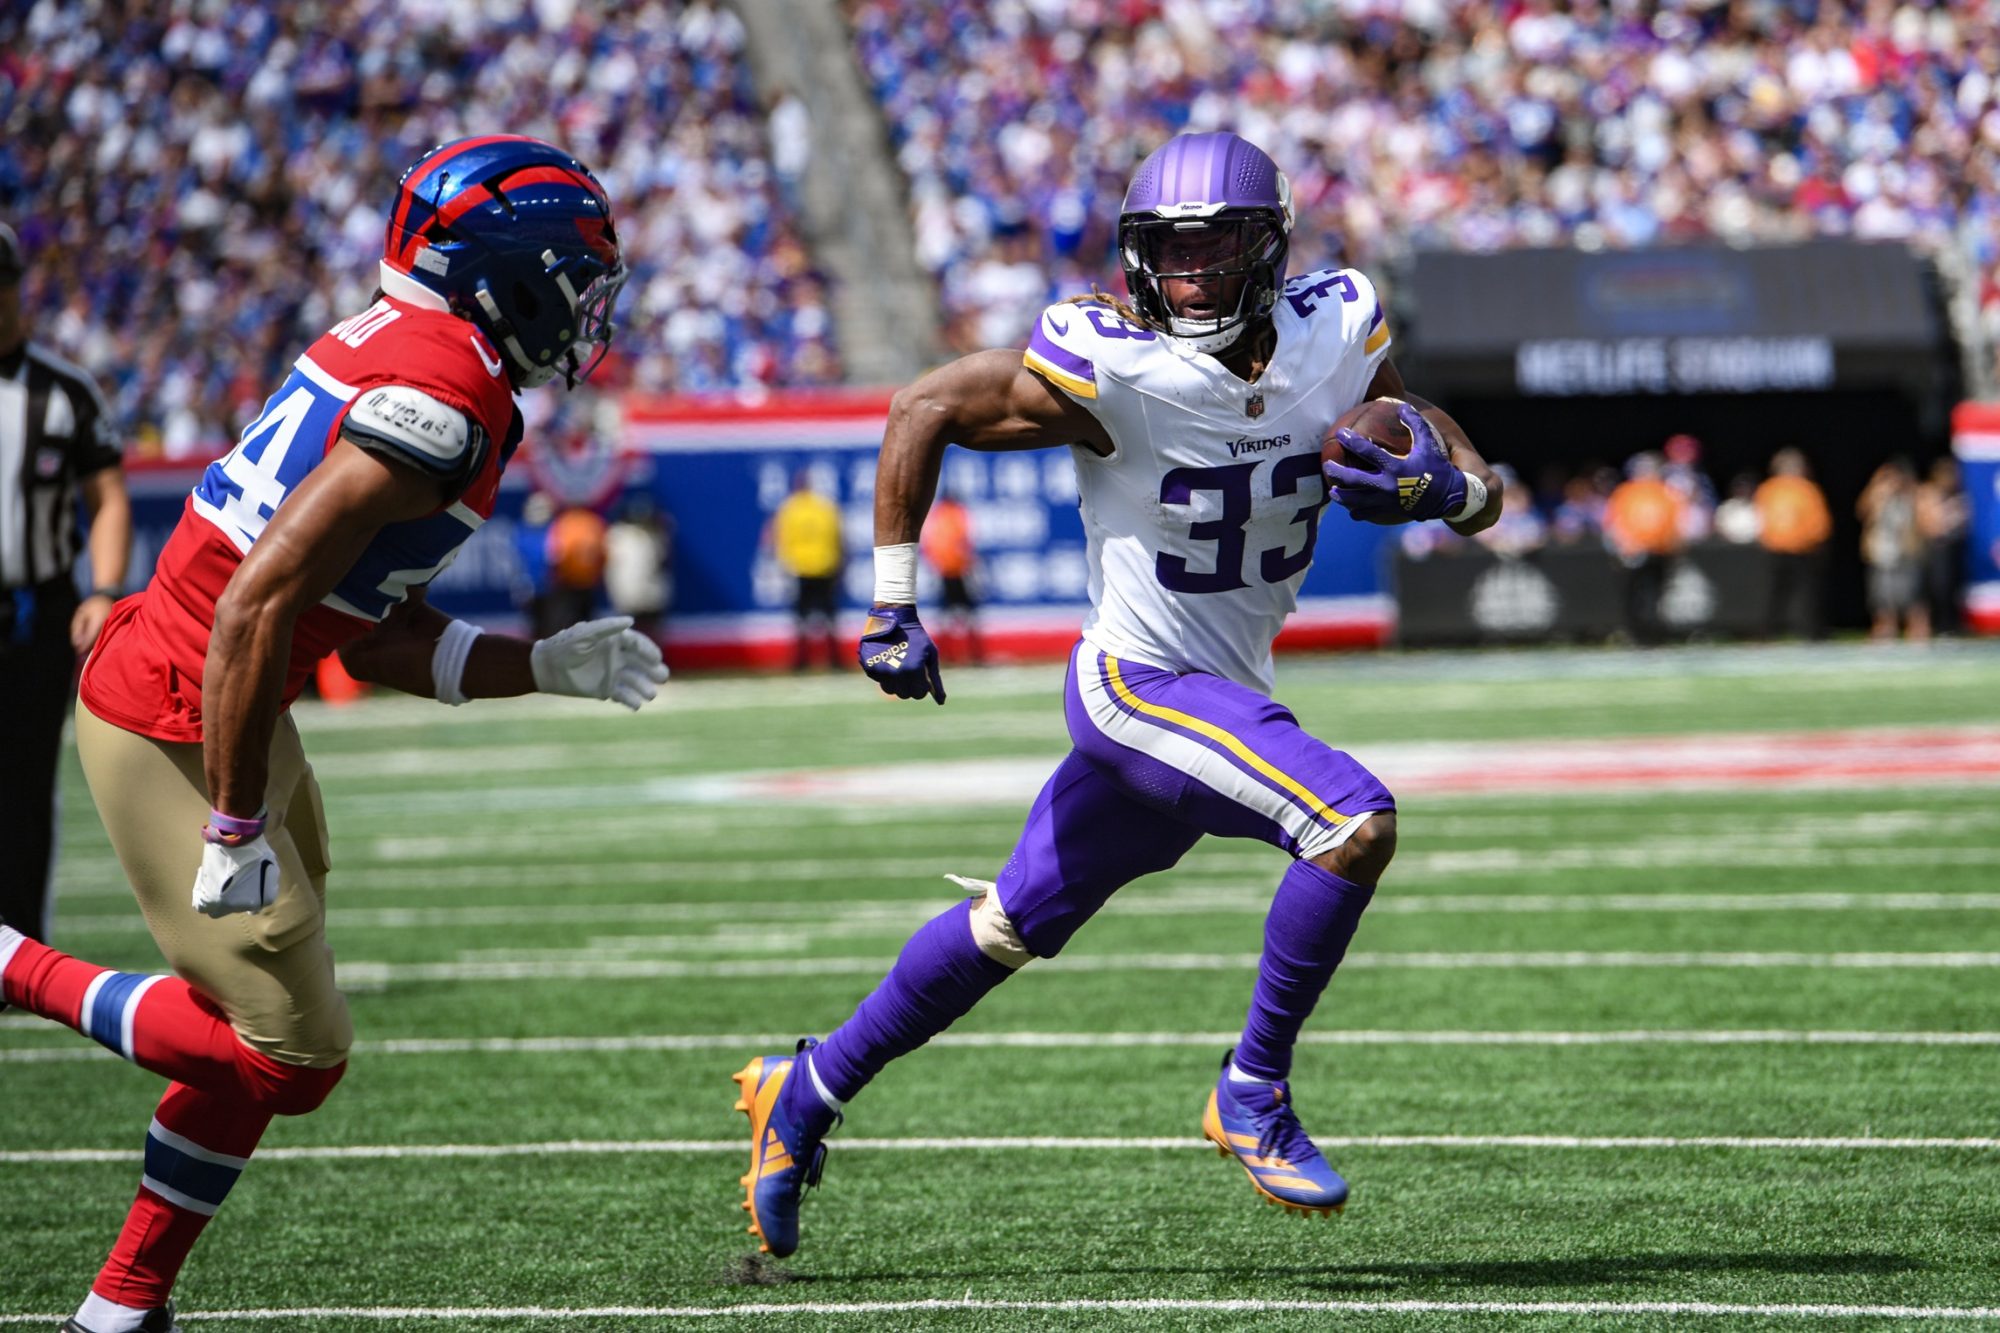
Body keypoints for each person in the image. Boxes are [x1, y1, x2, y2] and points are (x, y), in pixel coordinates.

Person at [730, 132, 1501, 1258]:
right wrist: (892, 603)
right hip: (1139, 685)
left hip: (1218, 689)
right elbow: (921, 409)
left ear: (1269, 249)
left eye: (1214, 247)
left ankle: (802, 1088)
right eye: (1167, 250)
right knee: (1348, 820)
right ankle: (1250, 1090)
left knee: (1006, 927)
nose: (1186, 273)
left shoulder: (1335, 324)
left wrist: (1456, 489)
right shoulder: (1116, 361)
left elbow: (1412, 416)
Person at [0, 136, 668, 1333]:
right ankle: (10, 964)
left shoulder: (419, 355)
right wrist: (233, 815)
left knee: (267, 1022)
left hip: (226, 690)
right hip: (177, 704)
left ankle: (120, 1306)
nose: (585, 310)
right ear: (501, 270)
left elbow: (362, 630)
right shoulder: (446, 395)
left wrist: (541, 668)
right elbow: (258, 600)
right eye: (571, 277)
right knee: (294, 1059)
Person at [0, 221, 132, 946]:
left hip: (33, 608)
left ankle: (17, 951)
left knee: (24, 786)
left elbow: (107, 494)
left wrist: (102, 590)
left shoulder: (64, 392)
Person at [1602, 452, 1685, 646]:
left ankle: (1654, 636)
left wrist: (1674, 546)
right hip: (1632, 553)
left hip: (1659, 552)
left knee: (1655, 596)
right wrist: (1621, 547)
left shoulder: (1666, 491)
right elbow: (1613, 524)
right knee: (1633, 597)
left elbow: (1675, 523)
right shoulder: (1625, 492)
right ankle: (1635, 635)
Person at [766, 468, 844, 670]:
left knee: (801, 619)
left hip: (799, 569)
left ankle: (801, 661)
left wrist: (784, 564)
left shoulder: (789, 509)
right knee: (828, 618)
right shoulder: (825, 507)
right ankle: (834, 660)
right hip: (825, 566)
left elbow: (777, 538)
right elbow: (839, 537)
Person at [1754, 448, 1832, 639]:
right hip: (1776, 548)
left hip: (1803, 549)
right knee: (1774, 592)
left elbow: (1819, 519)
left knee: (1808, 593)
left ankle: (1811, 632)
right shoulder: (1769, 489)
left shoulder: (1807, 489)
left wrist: (1816, 539)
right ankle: (1769, 632)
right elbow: (1760, 517)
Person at [1858, 456, 1928, 641]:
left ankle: (1918, 631)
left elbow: (1923, 521)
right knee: (1882, 597)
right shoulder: (1878, 496)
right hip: (1882, 554)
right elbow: (1862, 512)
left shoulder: (1912, 496)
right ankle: (1885, 630)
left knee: (1912, 596)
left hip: (1906, 554)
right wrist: (1878, 489)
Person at [920, 488, 982, 663]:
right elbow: (964, 543)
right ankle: (974, 654)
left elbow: (930, 546)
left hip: (943, 571)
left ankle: (945, 654)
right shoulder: (957, 514)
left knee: (945, 617)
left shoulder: (937, 517)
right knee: (969, 615)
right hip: (959, 571)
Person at [1917, 457, 1969, 635]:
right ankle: (1937, 624)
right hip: (1934, 546)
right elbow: (1926, 522)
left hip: (1952, 546)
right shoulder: (1927, 492)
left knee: (1952, 587)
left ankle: (1950, 623)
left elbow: (1963, 521)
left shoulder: (1956, 495)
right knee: (1937, 586)